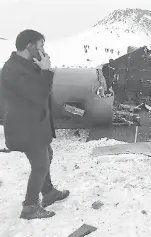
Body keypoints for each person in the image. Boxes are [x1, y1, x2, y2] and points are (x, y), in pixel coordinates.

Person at [0, 29, 70, 220]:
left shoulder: (26, 64)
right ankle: (29, 207)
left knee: (48, 154)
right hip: (24, 126)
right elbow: (38, 95)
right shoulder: (12, 70)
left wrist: (42, 68)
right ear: (30, 46)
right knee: (40, 165)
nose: (43, 49)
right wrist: (45, 71)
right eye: (41, 45)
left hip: (35, 123)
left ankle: (48, 193)